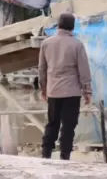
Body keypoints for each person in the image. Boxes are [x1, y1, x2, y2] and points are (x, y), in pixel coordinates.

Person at [39, 12, 92, 160]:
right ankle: (64, 156)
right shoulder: (77, 45)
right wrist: (87, 91)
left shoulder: (46, 43)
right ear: (72, 27)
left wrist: (43, 89)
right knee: (68, 126)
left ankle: (46, 154)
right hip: (72, 92)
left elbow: (42, 69)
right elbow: (84, 70)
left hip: (53, 91)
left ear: (59, 25)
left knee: (52, 124)